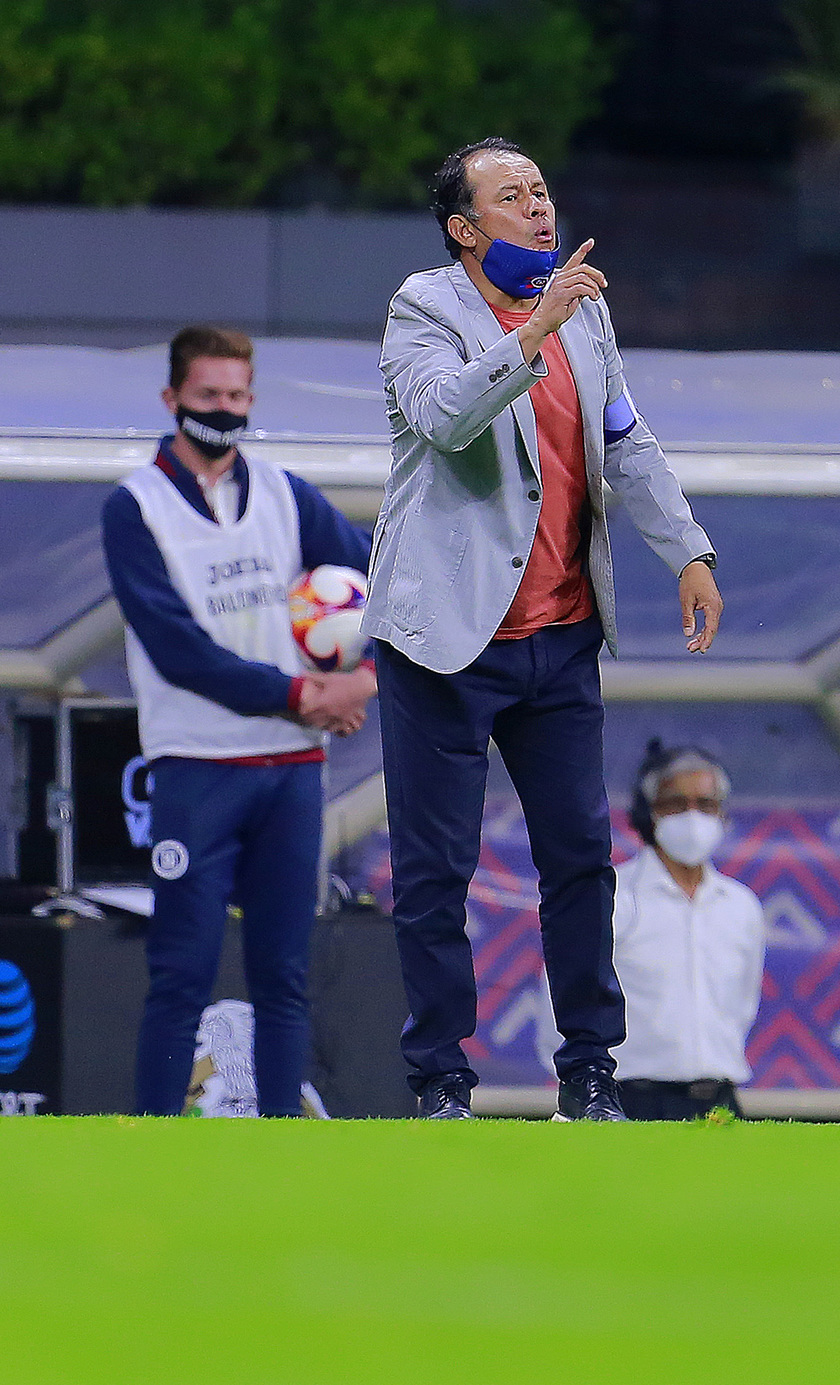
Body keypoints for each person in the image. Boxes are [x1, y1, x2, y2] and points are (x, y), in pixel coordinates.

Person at [363, 137, 723, 1121]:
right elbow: (445, 418)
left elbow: (624, 437)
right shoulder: (422, 309)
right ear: (463, 229)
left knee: (579, 858)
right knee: (436, 870)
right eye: (512, 197)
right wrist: (532, 331)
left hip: (560, 633)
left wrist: (688, 552)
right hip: (446, 640)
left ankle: (590, 1074)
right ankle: (441, 1081)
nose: (537, 208)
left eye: (541, 191)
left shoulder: (584, 311)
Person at [102, 325, 376, 1117]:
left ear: (252, 398)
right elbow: (177, 648)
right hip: (196, 765)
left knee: (284, 975)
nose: (224, 409)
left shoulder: (288, 494)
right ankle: (157, 1146)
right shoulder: (136, 506)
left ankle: (279, 1143)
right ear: (172, 398)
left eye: (236, 395)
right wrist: (303, 695)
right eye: (208, 394)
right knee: (180, 971)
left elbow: (386, 583)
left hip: (291, 769)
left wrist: (361, 678)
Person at [613, 742, 765, 1120]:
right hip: (631, 1102)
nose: (693, 817)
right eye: (676, 804)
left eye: (706, 805)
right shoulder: (612, 897)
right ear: (649, 813)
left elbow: (743, 1006)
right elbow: (562, 1004)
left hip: (720, 1104)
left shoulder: (741, 905)